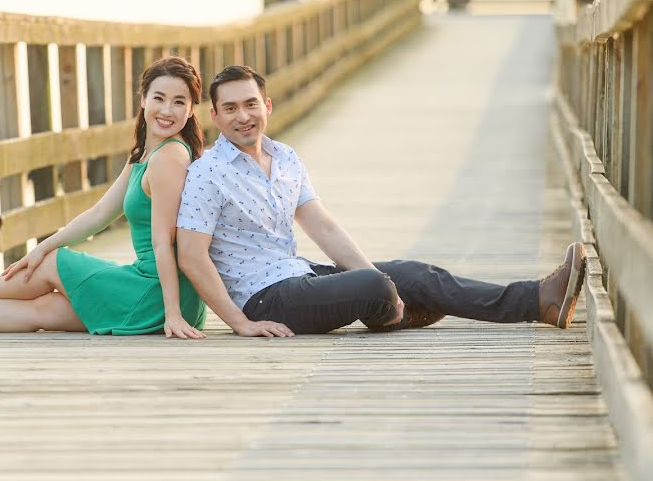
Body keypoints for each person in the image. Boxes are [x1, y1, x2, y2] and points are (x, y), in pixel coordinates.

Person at [175, 65, 586, 337]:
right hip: (266, 298)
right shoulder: (207, 173)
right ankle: (394, 309)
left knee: (417, 274)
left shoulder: (284, 158)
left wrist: (387, 283)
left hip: (302, 274)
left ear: (267, 106)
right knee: (374, 285)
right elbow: (192, 257)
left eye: (250, 104)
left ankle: (537, 300)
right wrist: (240, 323)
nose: (242, 116)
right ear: (215, 116)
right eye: (230, 108)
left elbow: (324, 228)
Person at [0, 56, 208, 339]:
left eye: (179, 102)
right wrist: (41, 246)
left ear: (192, 108)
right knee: (46, 307)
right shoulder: (146, 153)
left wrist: (173, 313)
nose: (167, 110)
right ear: (143, 99)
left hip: (161, 294)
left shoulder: (169, 159)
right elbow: (100, 214)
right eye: (159, 98)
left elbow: (162, 243)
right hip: (159, 292)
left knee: (57, 261)